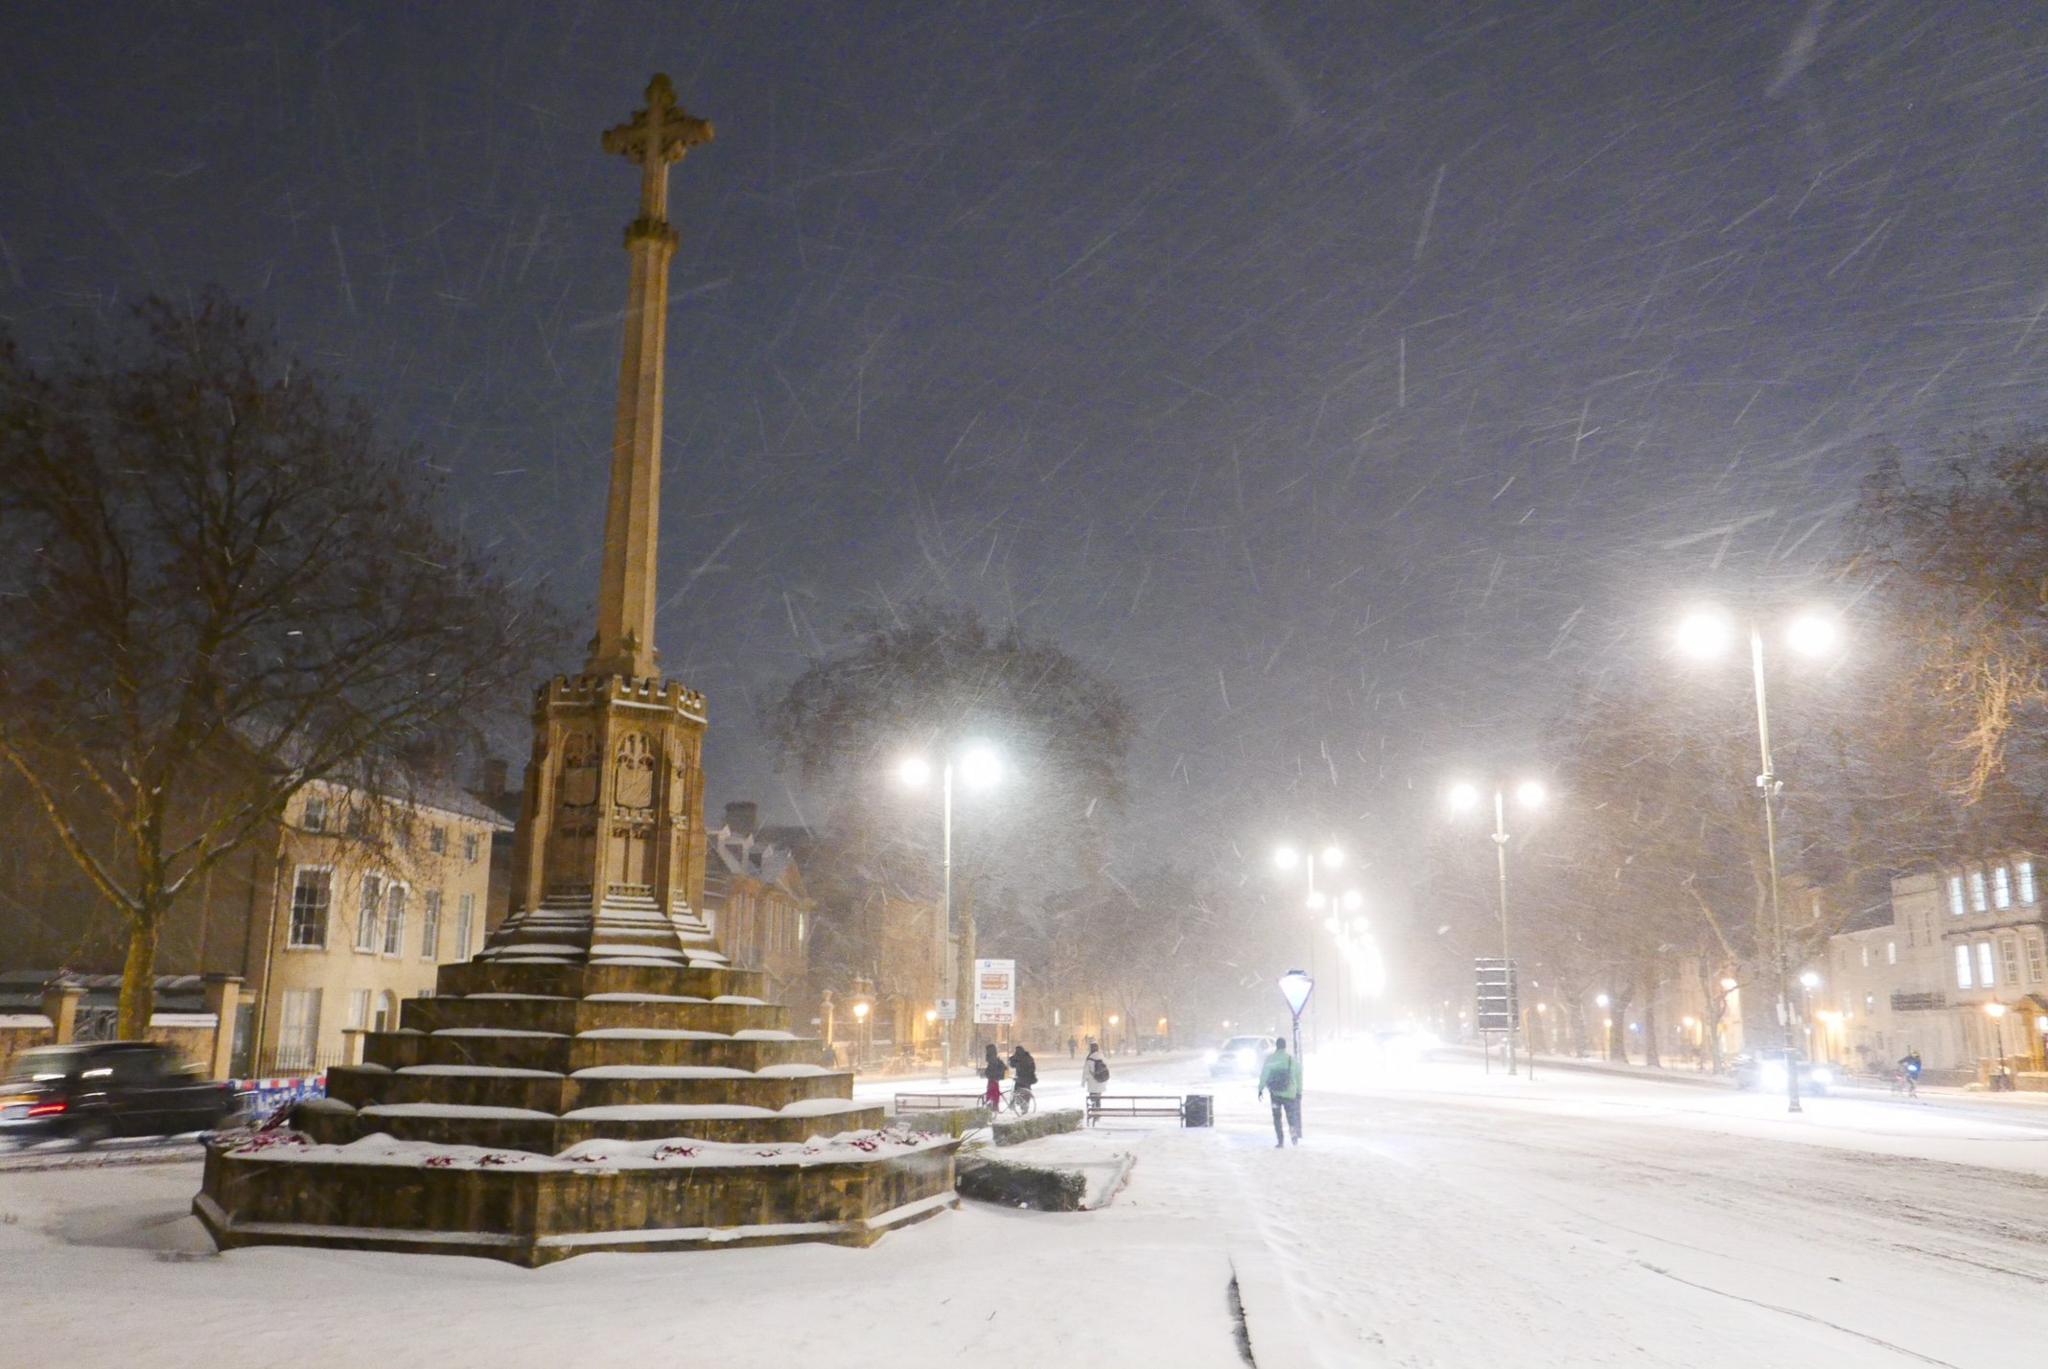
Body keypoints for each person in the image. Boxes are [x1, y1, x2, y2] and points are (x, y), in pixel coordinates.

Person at [1258, 1036, 1302, 1147]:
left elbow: (1264, 1075)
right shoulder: (1291, 1060)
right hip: (1290, 1093)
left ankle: (1280, 1141)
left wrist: (1260, 1088)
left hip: (1275, 1094)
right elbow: (1299, 1075)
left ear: (1276, 1046)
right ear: (1285, 1046)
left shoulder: (1270, 1059)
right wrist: (1299, 1091)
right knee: (1291, 1117)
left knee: (1277, 1118)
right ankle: (1294, 1137)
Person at [1008, 1043, 1038, 1112]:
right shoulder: (1028, 1057)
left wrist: (1012, 1058)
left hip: (1021, 1078)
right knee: (1026, 1093)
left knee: (1016, 1091)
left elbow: (1012, 1064)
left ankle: (1014, 1104)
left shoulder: (1019, 1059)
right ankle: (1024, 1106)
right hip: (1029, 1079)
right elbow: (1033, 1068)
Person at [1083, 1039, 1109, 1107]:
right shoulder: (1102, 1056)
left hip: (1092, 1083)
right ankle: (1098, 1112)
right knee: (1098, 1099)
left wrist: (1083, 1082)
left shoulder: (1089, 1058)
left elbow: (1085, 1071)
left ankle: (1094, 1112)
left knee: (1093, 1098)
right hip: (1101, 1081)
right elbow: (1106, 1068)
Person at [981, 1042, 1007, 1109]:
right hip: (995, 1078)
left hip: (993, 1078)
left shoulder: (991, 1058)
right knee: (994, 1093)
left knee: (991, 1092)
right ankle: (994, 1106)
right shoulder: (994, 1057)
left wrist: (987, 1073)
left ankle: (993, 1106)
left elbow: (991, 1069)